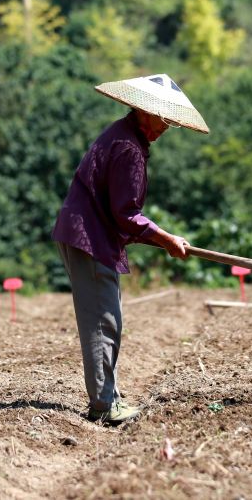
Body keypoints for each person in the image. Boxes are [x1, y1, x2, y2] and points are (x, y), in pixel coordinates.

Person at [52, 74, 209, 426]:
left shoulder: (122, 136)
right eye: (161, 119)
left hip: (87, 234)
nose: (165, 127)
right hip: (89, 237)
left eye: (169, 121)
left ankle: (108, 398)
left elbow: (120, 214)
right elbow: (126, 215)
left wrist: (161, 237)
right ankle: (104, 406)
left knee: (108, 319)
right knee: (102, 323)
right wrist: (166, 238)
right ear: (142, 111)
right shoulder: (129, 149)